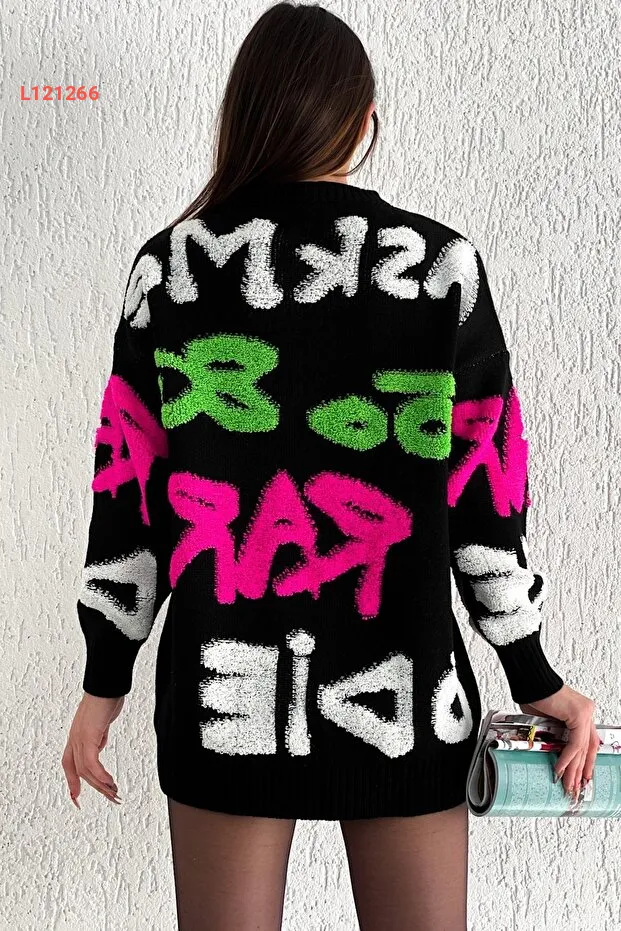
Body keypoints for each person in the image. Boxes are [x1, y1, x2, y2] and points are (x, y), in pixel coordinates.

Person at [62, 3, 599, 929]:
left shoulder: (169, 272)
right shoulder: (442, 270)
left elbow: (128, 500)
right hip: (408, 692)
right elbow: (485, 504)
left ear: (247, 116)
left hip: (224, 695)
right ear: (362, 120)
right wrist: (533, 674)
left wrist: (103, 680)